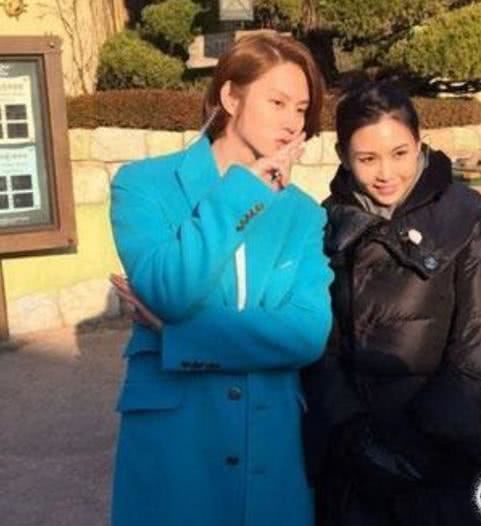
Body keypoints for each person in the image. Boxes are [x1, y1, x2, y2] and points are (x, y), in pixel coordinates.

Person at [108, 33, 333, 526]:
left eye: (301, 109)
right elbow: (171, 292)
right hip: (176, 446)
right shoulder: (143, 184)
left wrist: (180, 336)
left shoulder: (303, 213)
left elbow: (307, 333)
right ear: (231, 96)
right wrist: (243, 189)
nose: (293, 122)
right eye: (277, 102)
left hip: (270, 445)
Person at [302, 81, 481, 525]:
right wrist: (354, 439)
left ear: (419, 143)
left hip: (442, 461)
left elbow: (479, 353)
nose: (386, 173)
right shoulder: (326, 224)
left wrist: (416, 447)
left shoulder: (462, 219)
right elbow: (320, 346)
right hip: (354, 464)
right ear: (343, 156)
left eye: (399, 153)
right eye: (367, 159)